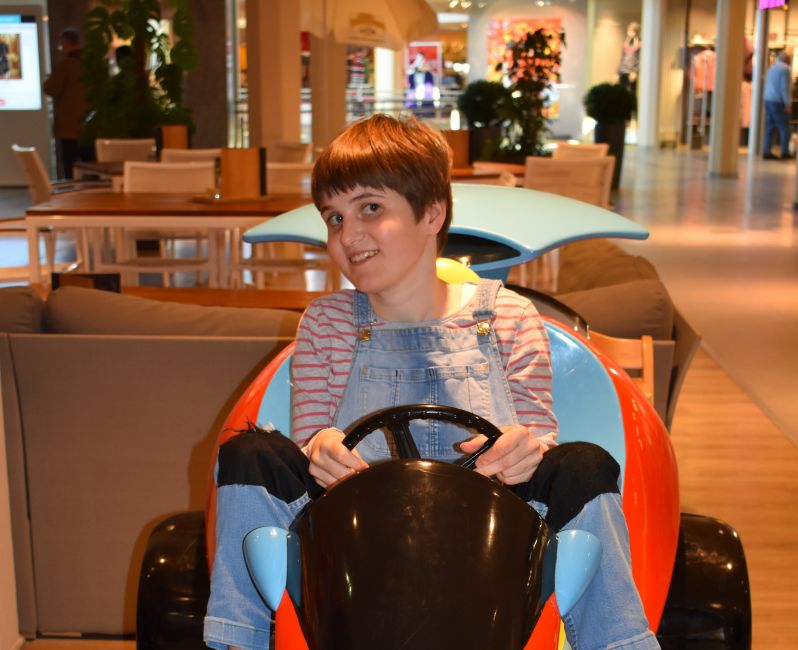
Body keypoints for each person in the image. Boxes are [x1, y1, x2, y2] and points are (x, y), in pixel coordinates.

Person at [204, 114, 660, 650]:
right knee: (249, 453)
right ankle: (239, 640)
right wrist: (319, 447)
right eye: (334, 217)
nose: (348, 236)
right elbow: (312, 441)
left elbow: (537, 437)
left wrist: (525, 449)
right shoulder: (326, 323)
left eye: (371, 208)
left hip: (487, 548)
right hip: (357, 547)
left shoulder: (510, 317)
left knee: (583, 463)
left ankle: (617, 642)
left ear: (432, 213)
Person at [43, 28, 91, 178]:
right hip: (90, 124)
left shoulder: (65, 65)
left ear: (64, 43)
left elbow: (51, 88)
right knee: (90, 165)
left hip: (69, 126)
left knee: (70, 165)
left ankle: (72, 189)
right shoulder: (91, 64)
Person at [763, 51, 793, 160]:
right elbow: (784, 87)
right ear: (787, 60)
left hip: (768, 99)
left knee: (770, 126)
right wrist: (787, 103)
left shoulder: (772, 68)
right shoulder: (785, 70)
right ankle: (784, 152)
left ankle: (766, 151)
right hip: (778, 101)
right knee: (785, 128)